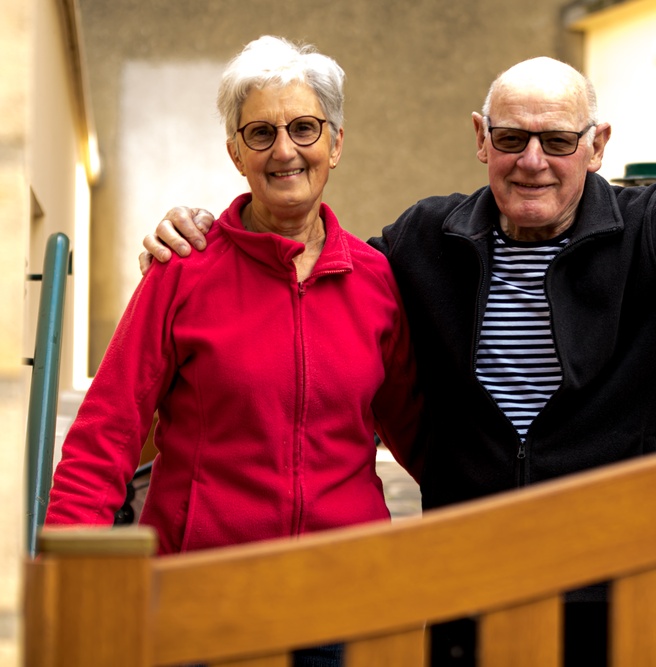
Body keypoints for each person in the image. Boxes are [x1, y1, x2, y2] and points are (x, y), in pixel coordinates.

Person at [142, 56, 656, 666]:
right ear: (480, 138)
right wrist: (206, 232)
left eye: (557, 139)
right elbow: (314, 282)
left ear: (597, 141)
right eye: (512, 138)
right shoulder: (423, 242)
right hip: (464, 586)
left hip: (621, 586)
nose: (534, 161)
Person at [48, 35, 422, 667]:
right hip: (205, 596)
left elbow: (421, 431)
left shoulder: (375, 278)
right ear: (234, 153)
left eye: (305, 128)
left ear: (335, 143)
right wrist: (72, 578)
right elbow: (107, 431)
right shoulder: (182, 271)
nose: (284, 150)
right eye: (260, 133)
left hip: (348, 597)